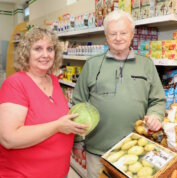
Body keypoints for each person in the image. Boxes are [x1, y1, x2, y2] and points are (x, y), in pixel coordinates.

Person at [72, 10, 166, 178]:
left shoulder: (146, 64)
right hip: (97, 150)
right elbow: (78, 105)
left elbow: (157, 99)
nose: (118, 38)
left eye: (123, 32)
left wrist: (155, 115)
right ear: (106, 36)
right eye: (112, 33)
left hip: (136, 148)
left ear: (132, 34)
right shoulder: (92, 65)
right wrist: (78, 142)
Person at [0, 27, 88, 178]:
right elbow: (9, 138)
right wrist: (58, 126)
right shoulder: (15, 84)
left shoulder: (53, 80)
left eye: (50, 49)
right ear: (26, 52)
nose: (45, 55)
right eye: (38, 49)